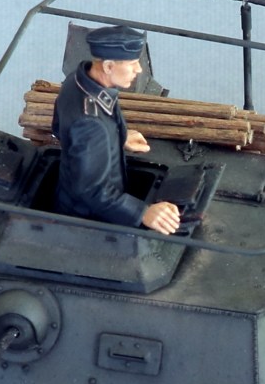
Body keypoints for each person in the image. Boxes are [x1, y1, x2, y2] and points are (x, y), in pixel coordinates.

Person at [52, 24, 181, 234]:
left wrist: (116, 137)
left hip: (77, 195)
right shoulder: (91, 123)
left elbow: (58, 128)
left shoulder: (76, 81)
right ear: (109, 67)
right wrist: (142, 213)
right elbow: (91, 190)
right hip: (90, 218)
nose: (139, 69)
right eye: (132, 63)